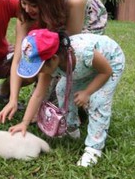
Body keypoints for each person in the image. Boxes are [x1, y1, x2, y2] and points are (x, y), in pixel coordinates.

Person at [0, 0, 108, 123]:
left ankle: (83, 99)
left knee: (73, 66)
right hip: (51, 14)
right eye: (24, 3)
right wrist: (13, 99)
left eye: (34, 5)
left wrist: (42, 91)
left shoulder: (74, 1)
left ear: (45, 2)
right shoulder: (25, 14)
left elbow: (67, 52)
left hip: (88, 18)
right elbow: (18, 59)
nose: (28, 9)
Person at [8, 29, 125, 167]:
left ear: (54, 60)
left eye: (38, 68)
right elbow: (38, 94)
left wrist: (87, 92)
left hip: (110, 63)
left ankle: (94, 148)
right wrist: (24, 123)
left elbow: (106, 71)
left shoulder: (83, 53)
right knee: (62, 89)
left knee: (97, 100)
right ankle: (72, 127)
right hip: (83, 69)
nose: (38, 73)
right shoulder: (52, 62)